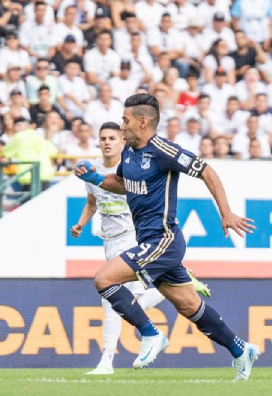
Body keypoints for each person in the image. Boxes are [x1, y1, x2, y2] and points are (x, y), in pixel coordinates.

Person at [74, 94, 258, 379]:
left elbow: (207, 171)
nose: (122, 127)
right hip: (148, 241)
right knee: (189, 306)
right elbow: (123, 183)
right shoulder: (130, 152)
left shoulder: (163, 150)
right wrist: (96, 178)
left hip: (163, 239)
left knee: (104, 279)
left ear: (142, 121)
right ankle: (240, 350)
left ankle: (150, 334)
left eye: (125, 120)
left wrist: (226, 212)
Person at [71, 122, 210, 375]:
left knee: (110, 299)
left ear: (122, 141)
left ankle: (106, 362)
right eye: (103, 138)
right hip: (109, 239)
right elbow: (92, 203)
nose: (107, 142)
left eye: (112, 137)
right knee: (127, 302)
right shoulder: (93, 170)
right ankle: (181, 279)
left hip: (132, 236)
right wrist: (81, 223)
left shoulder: (131, 166)